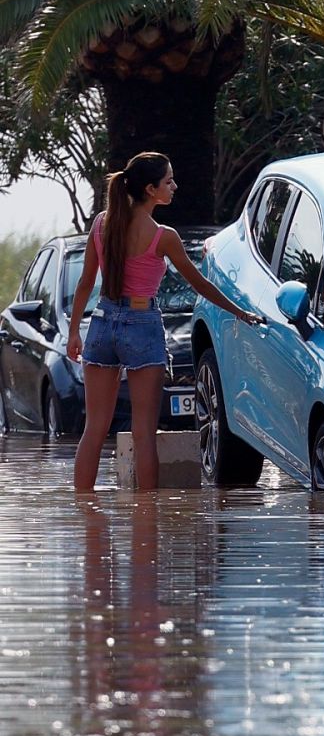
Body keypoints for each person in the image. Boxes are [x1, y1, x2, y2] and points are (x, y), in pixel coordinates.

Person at [65, 152, 264, 491]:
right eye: (168, 181)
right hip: (142, 324)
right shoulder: (163, 236)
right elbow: (200, 284)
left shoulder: (102, 222)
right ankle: (147, 523)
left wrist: (74, 333)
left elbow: (85, 282)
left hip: (100, 322)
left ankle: (87, 521)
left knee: (94, 428)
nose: (175, 186)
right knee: (144, 433)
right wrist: (241, 312)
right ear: (150, 188)